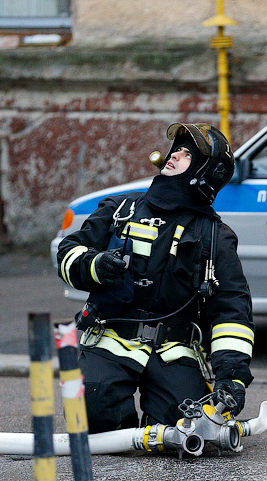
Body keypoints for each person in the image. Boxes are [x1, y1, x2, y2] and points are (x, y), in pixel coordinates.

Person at [56, 123, 254, 433]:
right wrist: (95, 265)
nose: (174, 154)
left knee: (187, 427)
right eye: (177, 148)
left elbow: (232, 310)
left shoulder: (215, 238)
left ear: (206, 172)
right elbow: (68, 253)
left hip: (174, 349)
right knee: (90, 412)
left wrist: (232, 376)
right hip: (110, 338)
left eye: (187, 154)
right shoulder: (122, 209)